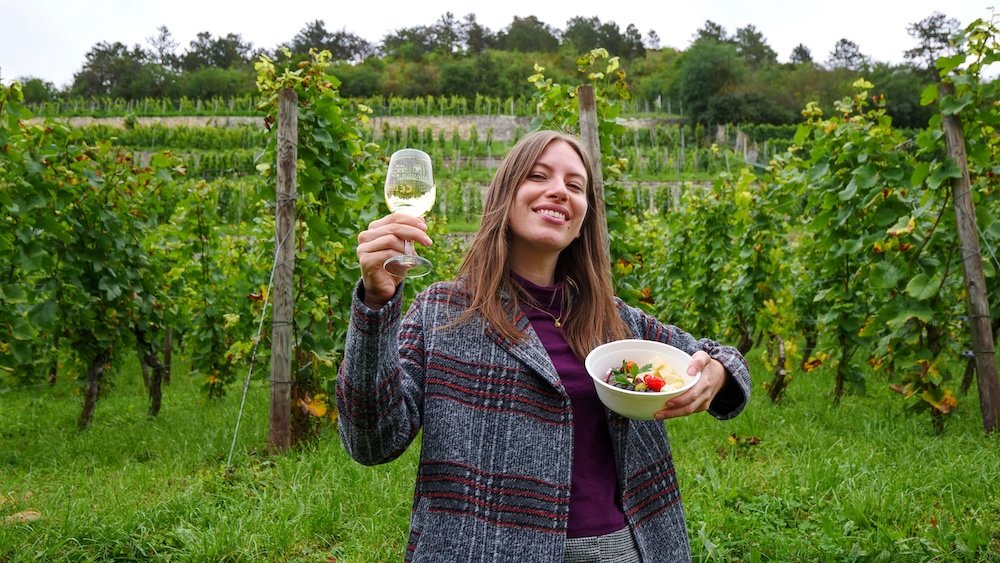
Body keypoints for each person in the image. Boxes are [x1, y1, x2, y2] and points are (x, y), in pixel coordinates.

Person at [338, 130, 751, 562]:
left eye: (575, 186)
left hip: (623, 549)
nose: (559, 191)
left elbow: (715, 355)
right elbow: (372, 441)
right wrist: (376, 305)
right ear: (505, 196)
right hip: (486, 550)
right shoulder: (442, 311)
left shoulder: (613, 318)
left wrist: (718, 371)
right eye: (539, 176)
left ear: (582, 221)